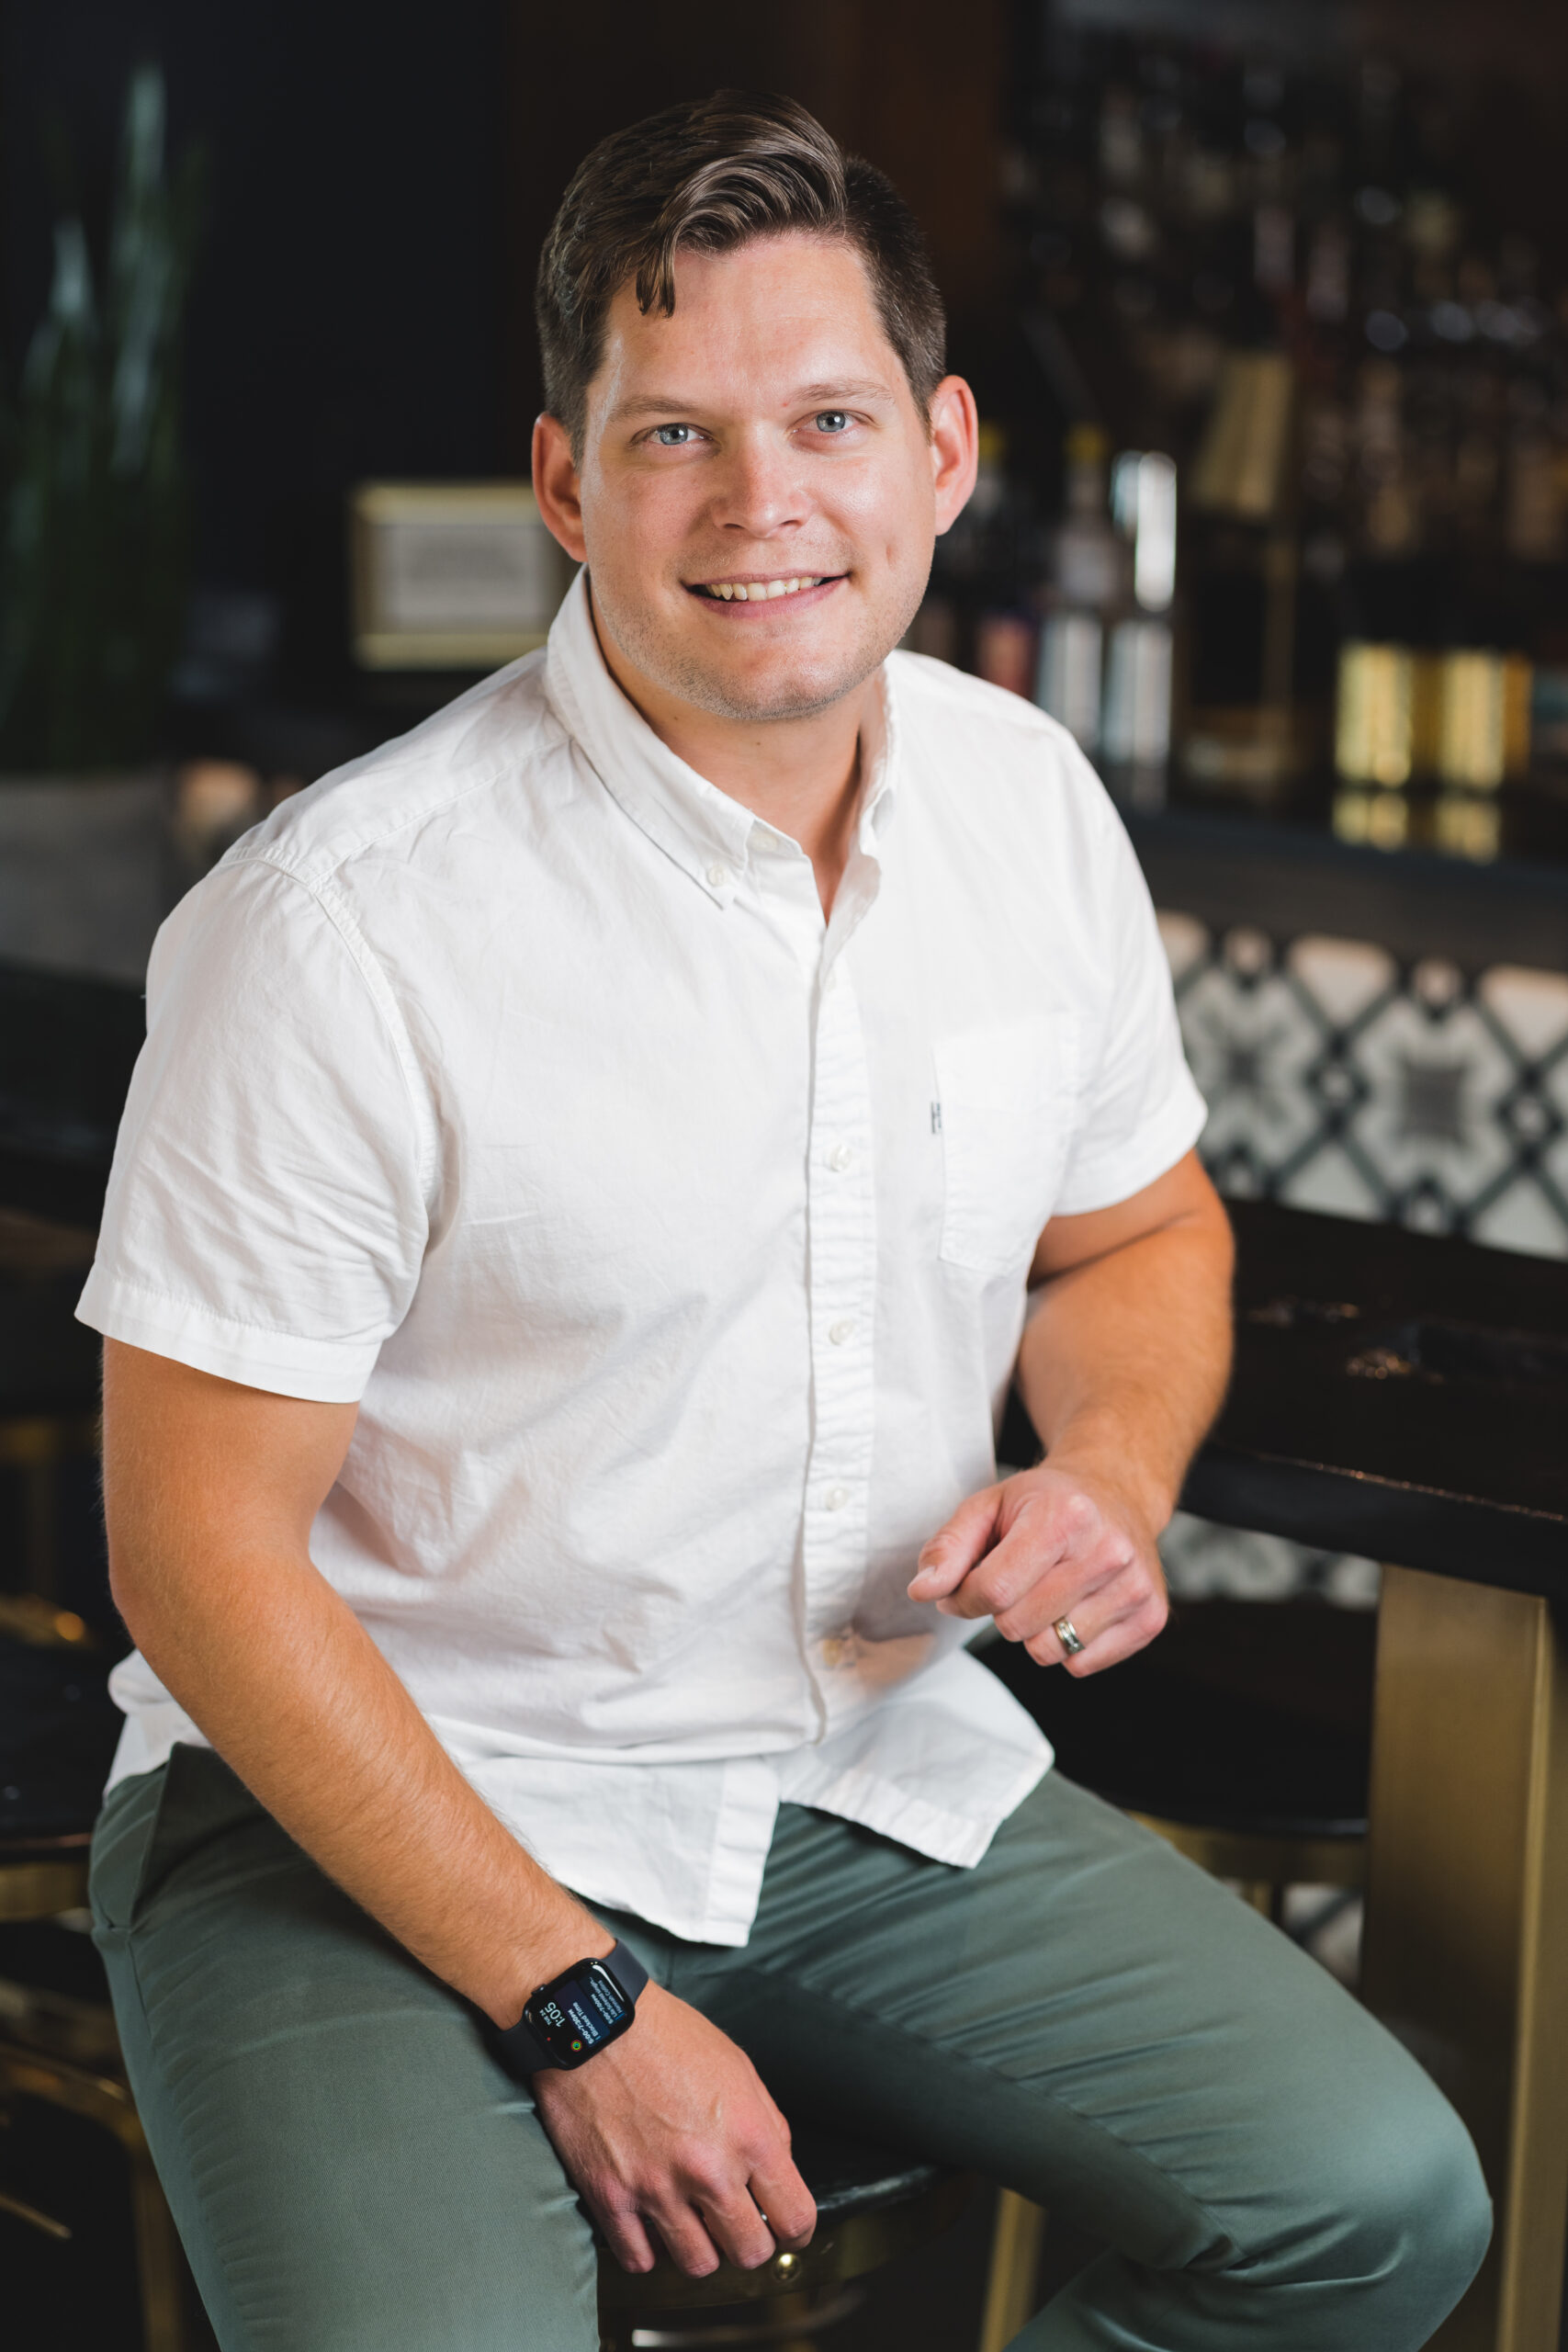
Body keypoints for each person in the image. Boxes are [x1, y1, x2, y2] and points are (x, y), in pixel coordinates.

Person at [83, 89, 1487, 2352]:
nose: (763, 508)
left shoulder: (1023, 802)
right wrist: (579, 2000)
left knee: (1366, 2199)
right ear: (562, 482)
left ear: (939, 451)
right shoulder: (337, 924)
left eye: (825, 418)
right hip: (356, 1811)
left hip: (844, 1777)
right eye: (673, 440)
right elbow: (200, 1558)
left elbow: (1138, 1234)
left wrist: (1108, 1476)